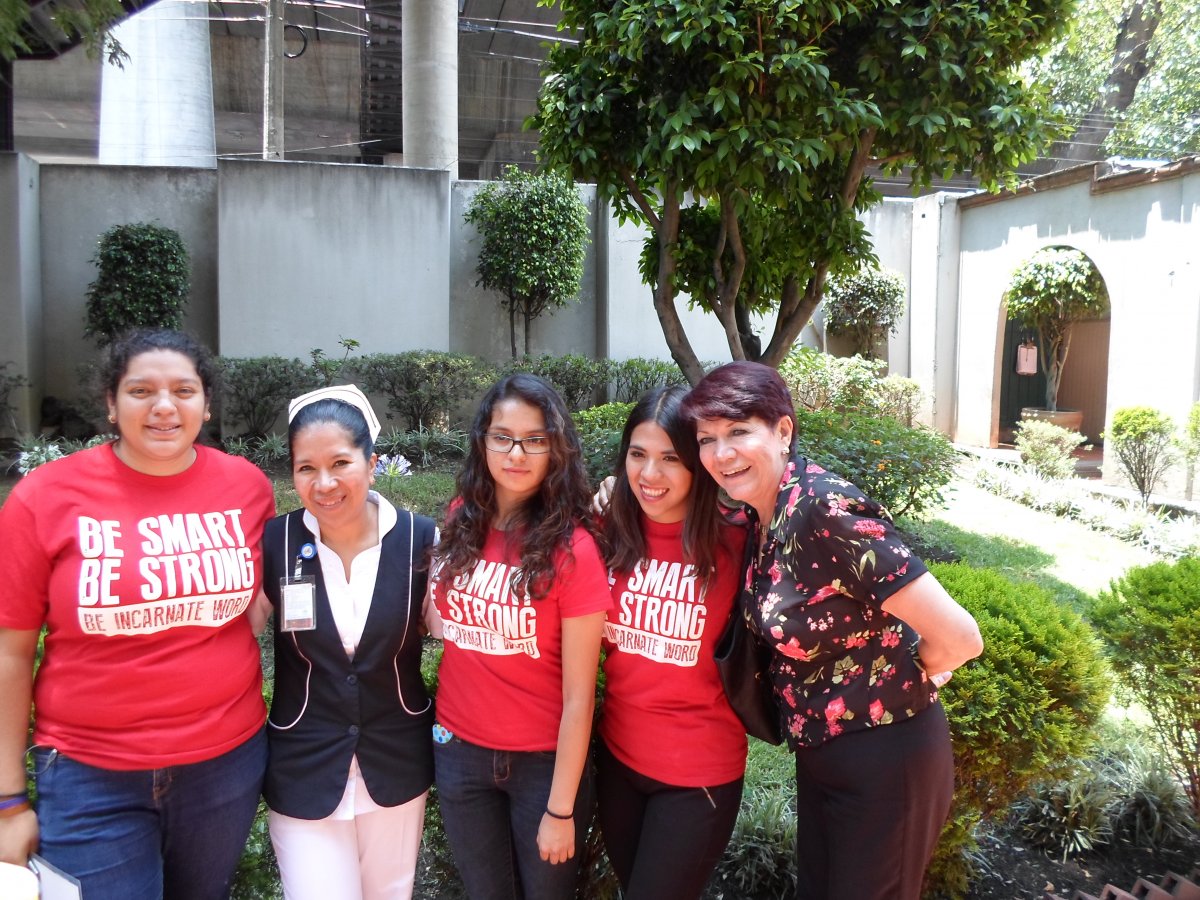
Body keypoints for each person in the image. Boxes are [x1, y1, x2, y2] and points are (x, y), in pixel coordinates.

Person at [683, 361, 984, 900]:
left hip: (886, 761)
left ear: (783, 431)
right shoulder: (766, 512)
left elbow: (961, 637)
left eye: (738, 432)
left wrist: (922, 678)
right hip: (825, 756)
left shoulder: (825, 510)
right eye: (707, 439)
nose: (721, 453)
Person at [0, 328, 275, 900]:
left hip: (224, 765)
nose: (165, 407)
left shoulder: (246, 487)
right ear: (110, 402)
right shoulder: (44, 497)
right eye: (141, 391)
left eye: (183, 390)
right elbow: (10, 653)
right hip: (89, 775)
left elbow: (259, 604)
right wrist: (7, 802)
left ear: (206, 402)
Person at [429, 373, 611, 900]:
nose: (517, 452)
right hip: (459, 753)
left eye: (535, 439)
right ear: (482, 440)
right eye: (503, 435)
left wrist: (561, 808)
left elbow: (580, 697)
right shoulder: (462, 518)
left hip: (542, 766)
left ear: (556, 449)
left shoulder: (572, 550)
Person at [257, 385, 437, 900]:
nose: (324, 483)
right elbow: (232, 634)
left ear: (372, 463)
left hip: (395, 764)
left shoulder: (420, 541)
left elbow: (463, 631)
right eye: (306, 468)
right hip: (303, 766)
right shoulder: (275, 542)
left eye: (340, 462)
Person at [596, 385, 749, 900]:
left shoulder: (738, 541)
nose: (649, 475)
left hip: (698, 775)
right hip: (617, 760)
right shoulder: (606, 529)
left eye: (670, 459)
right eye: (637, 455)